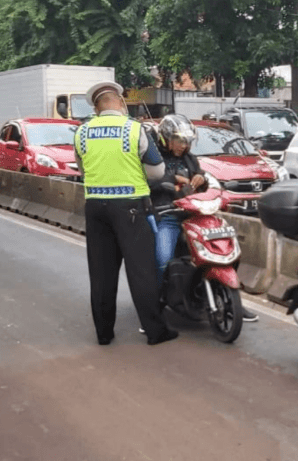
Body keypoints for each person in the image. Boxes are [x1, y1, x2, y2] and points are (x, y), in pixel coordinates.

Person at [75, 81, 179, 346]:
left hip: (96, 207)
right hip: (131, 206)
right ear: (120, 102)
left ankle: (104, 334)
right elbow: (156, 171)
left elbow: (83, 170)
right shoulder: (135, 129)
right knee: (141, 270)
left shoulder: (82, 132)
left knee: (101, 273)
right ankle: (155, 331)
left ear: (96, 107)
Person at [148, 114, 260, 323]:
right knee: (162, 259)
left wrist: (202, 181)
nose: (184, 145)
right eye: (180, 140)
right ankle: (153, 309)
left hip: (196, 213)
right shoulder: (155, 159)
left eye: (187, 141)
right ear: (166, 138)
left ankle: (230, 299)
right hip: (169, 215)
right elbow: (150, 180)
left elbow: (201, 181)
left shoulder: (190, 159)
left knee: (227, 249)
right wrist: (171, 181)